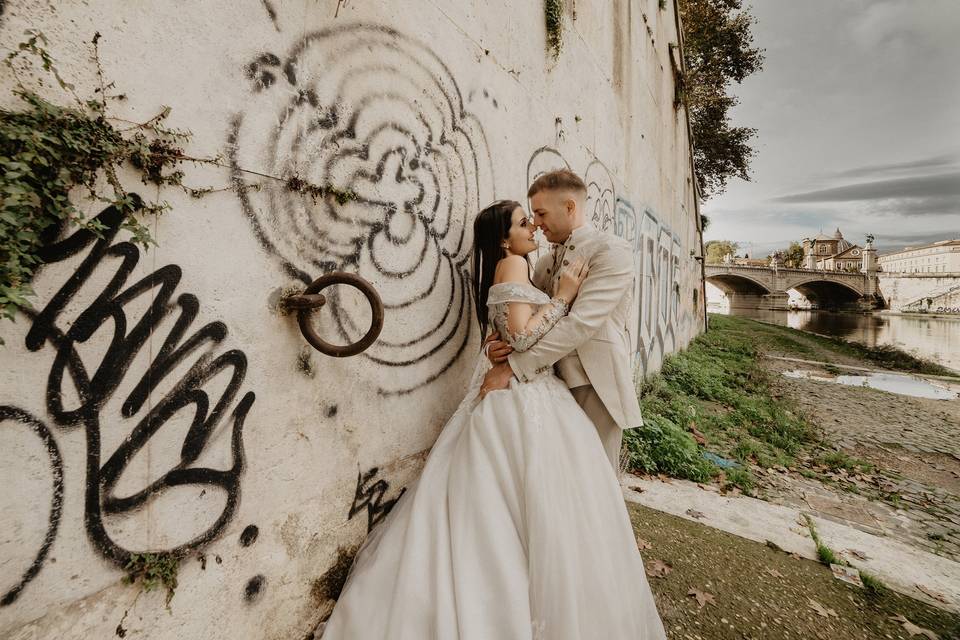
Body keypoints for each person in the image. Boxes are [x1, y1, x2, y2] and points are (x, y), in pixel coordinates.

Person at [321, 198, 665, 640]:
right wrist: (561, 298)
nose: (534, 228)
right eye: (526, 222)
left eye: (535, 219)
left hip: (535, 389)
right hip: (524, 395)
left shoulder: (520, 266)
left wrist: (492, 343)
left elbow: (503, 327)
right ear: (505, 238)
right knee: (524, 498)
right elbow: (523, 335)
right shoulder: (515, 266)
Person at [482, 169, 642, 472]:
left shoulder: (610, 251)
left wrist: (513, 368)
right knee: (558, 481)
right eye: (532, 216)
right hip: (548, 385)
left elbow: (581, 323)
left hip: (593, 383)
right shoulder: (543, 262)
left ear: (569, 207)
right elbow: (524, 319)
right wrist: (493, 348)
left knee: (594, 478)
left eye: (541, 213)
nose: (536, 224)